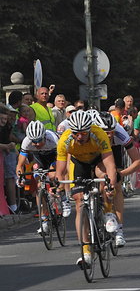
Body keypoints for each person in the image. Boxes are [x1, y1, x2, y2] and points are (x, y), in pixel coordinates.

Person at [54, 110, 118, 267]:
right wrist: (59, 186)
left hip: (98, 160)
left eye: (83, 133)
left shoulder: (99, 135)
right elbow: (60, 170)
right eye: (76, 133)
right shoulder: (65, 140)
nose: (80, 137)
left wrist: (111, 186)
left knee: (103, 176)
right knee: (79, 202)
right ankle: (86, 251)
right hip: (79, 163)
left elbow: (110, 164)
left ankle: (108, 212)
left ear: (89, 129)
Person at [93, 111, 140, 247]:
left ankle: (119, 230)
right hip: (95, 152)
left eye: (111, 131)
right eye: (105, 132)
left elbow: (138, 162)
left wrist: (121, 175)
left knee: (116, 185)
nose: (109, 135)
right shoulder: (91, 133)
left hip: (114, 152)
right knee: (101, 177)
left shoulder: (120, 134)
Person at [16, 121, 70, 233]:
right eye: (33, 141)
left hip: (54, 156)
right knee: (39, 185)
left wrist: (60, 172)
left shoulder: (53, 138)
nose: (36, 143)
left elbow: (63, 158)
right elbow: (20, 164)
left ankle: (64, 198)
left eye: (38, 140)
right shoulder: (26, 142)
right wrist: (20, 177)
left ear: (44, 136)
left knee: (53, 175)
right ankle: (44, 219)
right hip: (39, 158)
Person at [0, 105, 18, 213]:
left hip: (3, 155)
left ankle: (7, 208)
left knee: (5, 180)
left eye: (5, 119)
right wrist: (7, 146)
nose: (4, 121)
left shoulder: (7, 128)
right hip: (4, 153)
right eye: (1, 119)